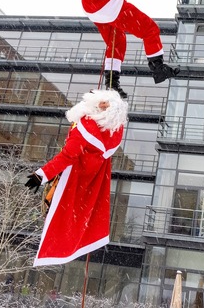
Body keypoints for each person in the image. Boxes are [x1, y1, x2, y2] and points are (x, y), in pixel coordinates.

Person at [25, 89, 128, 266]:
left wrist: (39, 176)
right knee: (73, 218)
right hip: (89, 181)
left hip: (73, 179)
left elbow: (67, 156)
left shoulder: (85, 129)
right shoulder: (113, 131)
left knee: (59, 216)